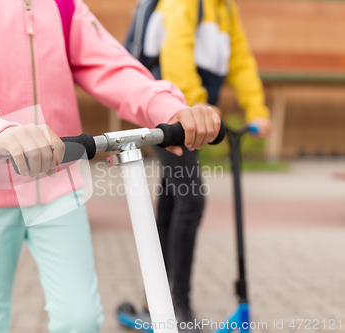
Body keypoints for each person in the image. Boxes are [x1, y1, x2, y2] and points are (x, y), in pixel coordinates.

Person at [0, 0, 222, 332]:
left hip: (57, 179)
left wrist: (167, 106)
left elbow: (111, 66)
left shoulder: (63, 6)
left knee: (80, 319)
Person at [142, 0, 272, 331]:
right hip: (172, 113)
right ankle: (176, 302)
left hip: (195, 119)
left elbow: (240, 61)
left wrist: (256, 108)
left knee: (172, 205)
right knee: (191, 200)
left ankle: (155, 298)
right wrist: (195, 103)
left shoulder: (225, 9)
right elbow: (176, 50)